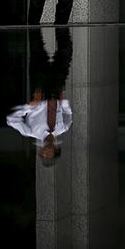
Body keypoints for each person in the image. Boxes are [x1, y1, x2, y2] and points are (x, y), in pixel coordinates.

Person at [7, 26, 74, 166]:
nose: (45, 151)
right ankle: (63, 27)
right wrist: (63, 102)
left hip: (40, 91)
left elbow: (11, 120)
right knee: (65, 54)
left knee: (37, 52)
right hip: (56, 90)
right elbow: (68, 114)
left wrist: (30, 106)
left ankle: (34, 26)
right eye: (48, 154)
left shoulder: (31, 132)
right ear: (56, 149)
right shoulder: (63, 127)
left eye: (43, 153)